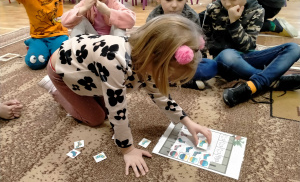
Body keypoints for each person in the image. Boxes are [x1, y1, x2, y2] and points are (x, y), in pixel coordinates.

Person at [38, 15, 212, 177]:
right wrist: (127, 149)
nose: (168, 81)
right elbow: (118, 110)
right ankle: (53, 89)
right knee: (97, 117)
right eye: (169, 77)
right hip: (62, 71)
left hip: (89, 73)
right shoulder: (115, 62)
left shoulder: (146, 56)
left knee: (105, 107)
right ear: (157, 58)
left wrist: (187, 122)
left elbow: (159, 95)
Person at [201, 0, 300, 107]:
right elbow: (203, 37)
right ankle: (274, 81)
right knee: (228, 54)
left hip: (247, 57)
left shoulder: (257, 10)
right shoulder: (213, 8)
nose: (227, 3)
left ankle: (257, 83)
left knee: (294, 48)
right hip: (224, 61)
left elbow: (248, 46)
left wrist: (234, 23)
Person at [146, 0, 218, 90]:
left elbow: (198, 46)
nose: (174, 5)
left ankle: (168, 79)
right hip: (163, 62)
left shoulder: (192, 16)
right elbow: (149, 47)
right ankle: (183, 80)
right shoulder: (154, 17)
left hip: (184, 63)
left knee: (212, 66)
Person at [0, 0, 78, 70]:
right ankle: (32, 44)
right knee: (35, 62)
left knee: (64, 60)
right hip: (38, 37)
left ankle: (48, 51)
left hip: (59, 34)